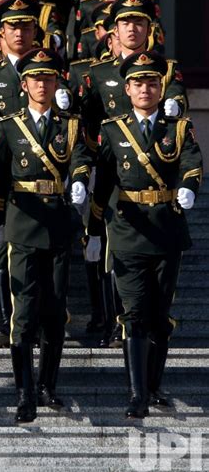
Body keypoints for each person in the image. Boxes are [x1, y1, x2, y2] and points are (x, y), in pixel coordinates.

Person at [85, 51, 203, 418]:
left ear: (160, 87)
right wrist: (92, 230)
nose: (146, 89)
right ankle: (136, 394)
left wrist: (189, 186)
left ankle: (154, 386)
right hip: (128, 229)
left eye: (152, 82)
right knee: (134, 313)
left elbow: (191, 162)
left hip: (167, 228)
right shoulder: (113, 130)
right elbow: (103, 184)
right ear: (127, 89)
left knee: (159, 314)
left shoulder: (177, 128)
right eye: (139, 83)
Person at [0, 48, 92, 422]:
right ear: (25, 84)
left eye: (49, 78)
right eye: (36, 78)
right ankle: (24, 391)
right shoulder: (10, 125)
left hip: (60, 225)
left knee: (55, 310)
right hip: (24, 223)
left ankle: (48, 386)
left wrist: (79, 180)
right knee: (25, 312)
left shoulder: (70, 125)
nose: (43, 84)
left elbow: (80, 157)